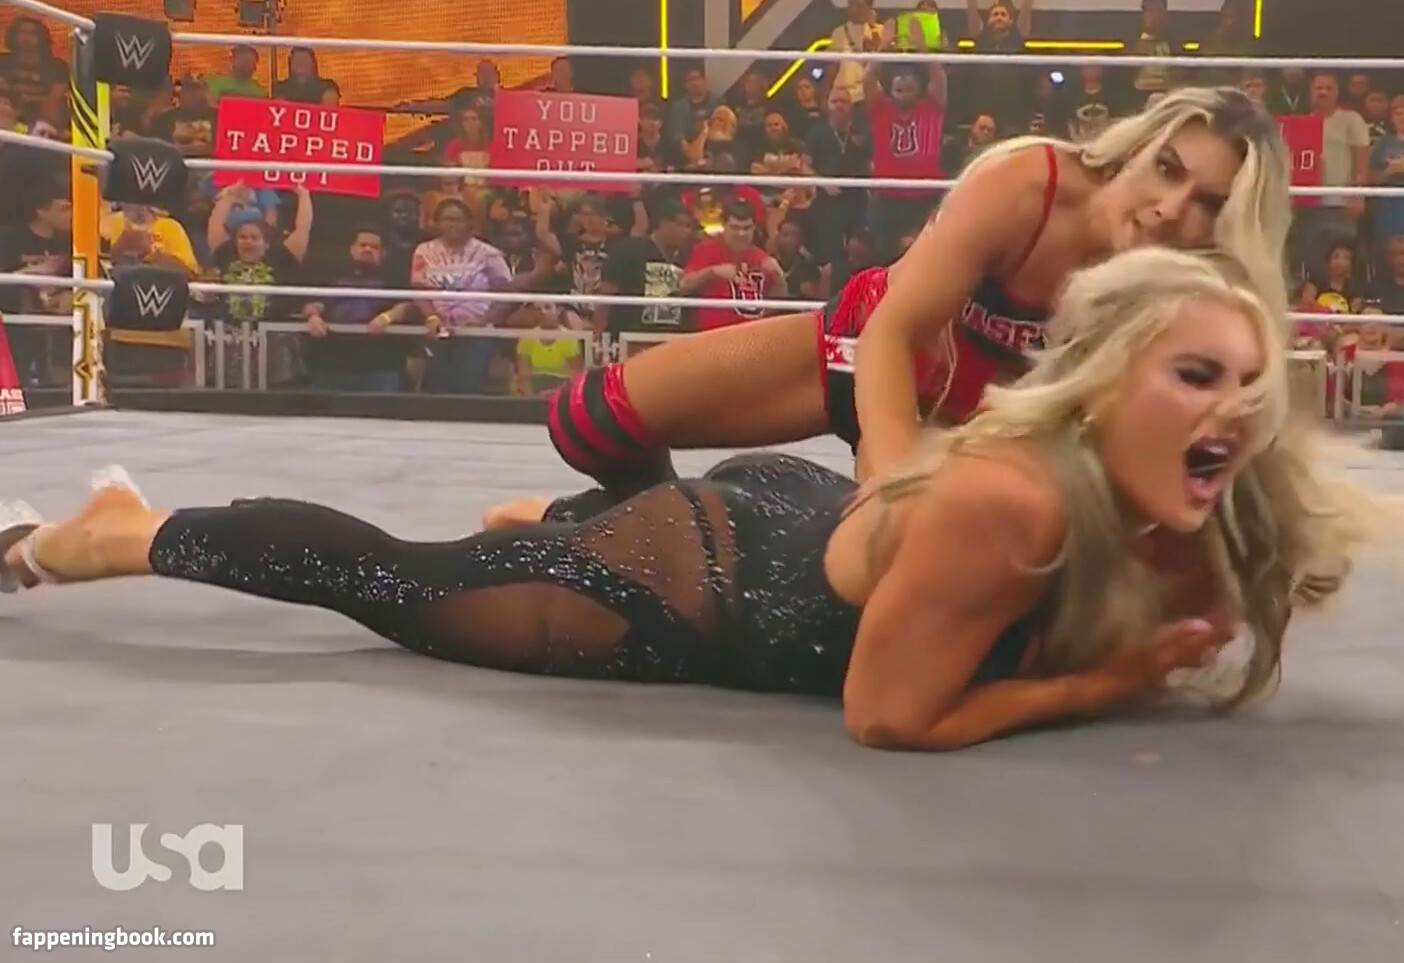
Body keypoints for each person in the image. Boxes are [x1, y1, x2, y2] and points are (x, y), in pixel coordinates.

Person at [0, 249, 1378, 750]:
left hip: (799, 519)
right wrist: (1103, 682)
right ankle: (119, 533)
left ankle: (537, 533)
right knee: (391, 581)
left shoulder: (1196, 494)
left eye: (1250, 384)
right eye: (1195, 375)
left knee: (512, 549)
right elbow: (889, 718)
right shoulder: (1008, 503)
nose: (1233, 411)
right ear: (1100, 388)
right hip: (698, 584)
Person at [541, 87, 1292, 522]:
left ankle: (654, 532)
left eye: (1208, 202)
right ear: (1140, 145)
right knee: (586, 422)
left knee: (922, 573)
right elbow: (892, 333)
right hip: (861, 351)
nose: (1169, 208)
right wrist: (891, 480)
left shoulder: (1194, 288)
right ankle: (645, 518)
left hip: (980, 429)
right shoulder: (1028, 186)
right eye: (1168, 168)